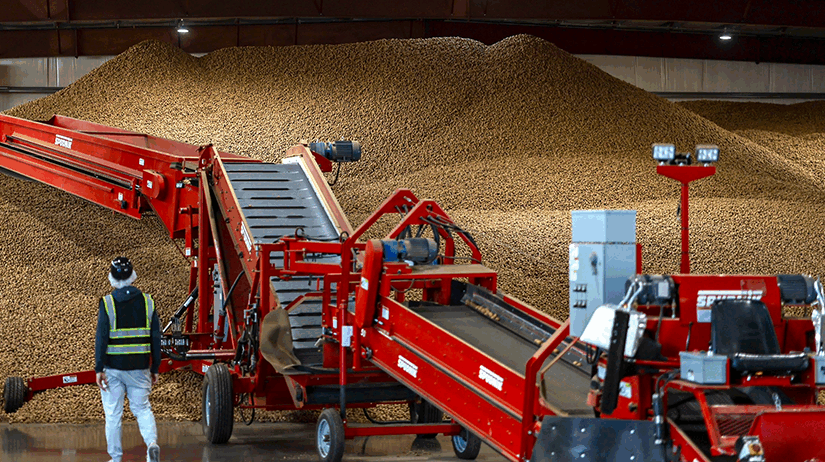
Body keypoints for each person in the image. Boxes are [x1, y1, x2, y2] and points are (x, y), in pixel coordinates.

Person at [94, 257, 161, 462]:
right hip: (140, 368)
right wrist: (155, 367)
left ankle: (116, 458)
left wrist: (99, 368)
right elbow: (156, 338)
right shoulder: (148, 302)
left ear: (112, 277)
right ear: (133, 275)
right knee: (142, 409)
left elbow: (101, 338)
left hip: (113, 368)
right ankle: (151, 444)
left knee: (113, 415)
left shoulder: (108, 303)